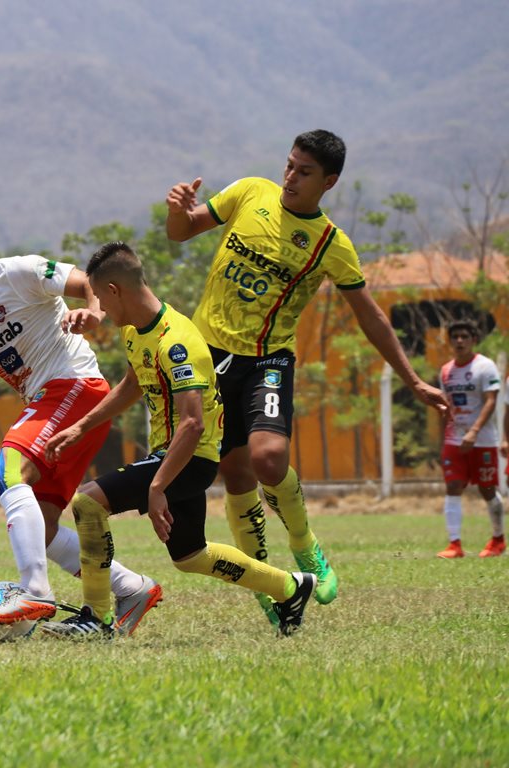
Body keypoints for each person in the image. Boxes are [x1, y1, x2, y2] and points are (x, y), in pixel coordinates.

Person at [165, 129, 449, 625]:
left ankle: (304, 543)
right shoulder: (249, 192)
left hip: (268, 361)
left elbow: (372, 318)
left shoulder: (331, 245)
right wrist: (177, 207)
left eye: (305, 171)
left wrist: (413, 380)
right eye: (290, 165)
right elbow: (181, 230)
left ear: (329, 181)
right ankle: (272, 590)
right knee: (234, 475)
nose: (291, 176)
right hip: (209, 356)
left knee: (268, 460)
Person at [44, 242, 316, 638]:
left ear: (116, 290)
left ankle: (96, 618)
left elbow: (192, 425)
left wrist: (158, 486)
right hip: (173, 457)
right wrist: (81, 425)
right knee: (190, 556)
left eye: (100, 298)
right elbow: (133, 384)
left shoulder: (177, 341)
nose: (100, 309)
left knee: (88, 502)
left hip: (190, 458)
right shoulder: (138, 332)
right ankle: (290, 587)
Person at [0, 237, 163, 635]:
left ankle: (35, 591)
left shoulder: (20, 272)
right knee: (44, 522)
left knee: (8, 471)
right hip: (51, 400)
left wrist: (93, 313)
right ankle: (130, 588)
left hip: (73, 384)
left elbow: (90, 281)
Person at [437, 321, 504, 558]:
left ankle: (498, 540)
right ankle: (454, 544)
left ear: (473, 339)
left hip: (483, 439)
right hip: (454, 438)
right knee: (453, 486)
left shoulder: (485, 367)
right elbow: (446, 402)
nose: (459, 341)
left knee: (487, 489)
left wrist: (474, 431)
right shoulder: (445, 371)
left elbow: (491, 401)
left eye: (464, 336)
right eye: (454, 337)